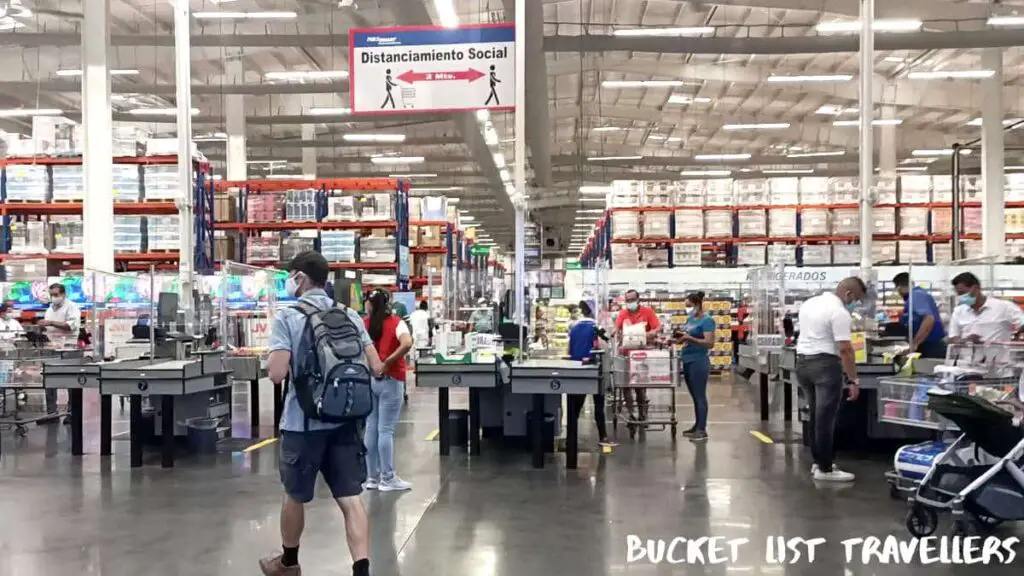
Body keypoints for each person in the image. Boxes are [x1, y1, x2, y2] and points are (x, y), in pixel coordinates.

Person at [260, 251, 385, 576]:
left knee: (295, 495)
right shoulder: (350, 315)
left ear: (299, 278)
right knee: (350, 497)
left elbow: (276, 373)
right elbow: (375, 366)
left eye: (290, 276)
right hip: (346, 421)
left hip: (303, 424)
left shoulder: (288, 317)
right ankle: (362, 571)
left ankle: (289, 563)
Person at [795, 276, 866, 483]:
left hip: (803, 364)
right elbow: (844, 349)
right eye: (857, 299)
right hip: (825, 365)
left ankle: (819, 462)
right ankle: (825, 469)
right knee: (826, 419)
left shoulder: (810, 303)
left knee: (816, 415)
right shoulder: (839, 312)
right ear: (848, 294)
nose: (855, 304)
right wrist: (854, 380)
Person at [363, 289, 414, 492]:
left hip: (370, 380)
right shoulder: (396, 322)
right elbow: (407, 343)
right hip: (391, 379)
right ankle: (387, 477)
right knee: (386, 430)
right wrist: (389, 362)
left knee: (371, 427)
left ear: (369, 304)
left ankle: (371, 477)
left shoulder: (364, 324)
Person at [613, 289, 661, 430]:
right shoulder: (623, 313)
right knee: (626, 386)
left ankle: (642, 414)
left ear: (638, 299)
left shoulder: (648, 312)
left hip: (642, 354)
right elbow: (616, 329)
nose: (630, 303)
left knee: (640, 386)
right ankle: (631, 413)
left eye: (632, 300)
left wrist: (649, 333)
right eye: (627, 300)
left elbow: (657, 327)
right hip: (626, 354)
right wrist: (616, 333)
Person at [567, 301, 610, 445]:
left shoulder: (573, 327)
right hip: (595, 371)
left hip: (577, 370)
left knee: (575, 407)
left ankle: (571, 437)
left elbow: (569, 350)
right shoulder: (597, 328)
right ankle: (603, 437)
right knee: (599, 406)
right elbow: (605, 348)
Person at [676, 291, 716, 443]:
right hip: (687, 359)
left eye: (689, 306)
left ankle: (702, 429)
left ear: (697, 304)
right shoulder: (690, 319)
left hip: (699, 361)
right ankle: (697, 425)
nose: (687, 309)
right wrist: (679, 339)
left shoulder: (707, 320)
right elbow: (687, 337)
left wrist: (690, 338)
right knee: (694, 396)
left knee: (700, 396)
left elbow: (709, 343)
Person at [949, 272, 1024, 344]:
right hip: (967, 356)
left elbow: (1022, 322)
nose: (961, 297)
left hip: (996, 356)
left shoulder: (1004, 307)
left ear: (976, 288)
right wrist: (965, 341)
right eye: (958, 294)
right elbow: (952, 337)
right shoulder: (959, 311)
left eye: (963, 293)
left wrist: (1017, 334)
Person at [39, 283, 80, 414]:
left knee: (71, 381)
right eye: (51, 295)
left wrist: (51, 323)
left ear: (63, 294)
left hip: (68, 348)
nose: (53, 297)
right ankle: (51, 412)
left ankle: (72, 412)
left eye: (56, 295)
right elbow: (48, 326)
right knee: (50, 380)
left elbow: (71, 325)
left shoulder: (72, 307)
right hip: (52, 348)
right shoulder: (50, 309)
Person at [892, 272, 947, 358]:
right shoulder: (914, 296)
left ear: (899, 287)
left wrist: (915, 344)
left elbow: (929, 319)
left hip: (931, 346)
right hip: (926, 344)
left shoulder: (916, 295)